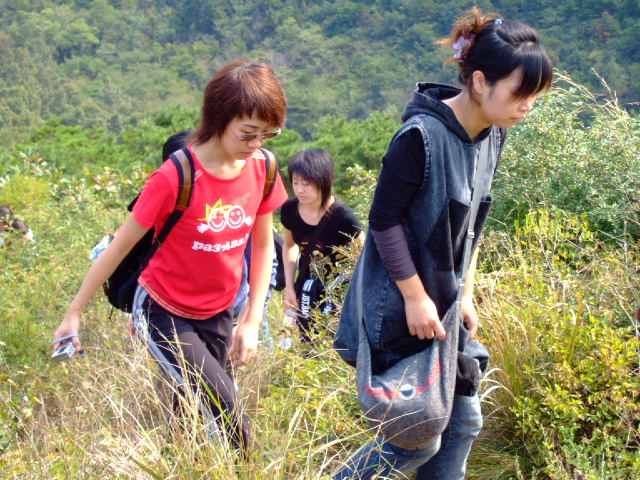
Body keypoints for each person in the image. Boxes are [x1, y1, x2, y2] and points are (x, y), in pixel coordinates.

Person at [333, 8, 552, 479]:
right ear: (479, 81)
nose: (527, 106)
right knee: (416, 438)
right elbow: (384, 222)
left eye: (535, 96)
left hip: (446, 307)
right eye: (520, 93)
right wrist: (415, 298)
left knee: (462, 423)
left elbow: (472, 222)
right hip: (401, 309)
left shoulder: (492, 135)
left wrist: (466, 293)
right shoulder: (420, 137)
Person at [53, 60, 288, 453]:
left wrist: (252, 319)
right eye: (248, 134)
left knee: (188, 409)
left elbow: (263, 246)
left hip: (220, 309)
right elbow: (119, 245)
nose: (256, 144)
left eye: (268, 134)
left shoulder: (263, 168)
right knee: (229, 413)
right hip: (164, 309)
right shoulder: (176, 176)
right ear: (219, 118)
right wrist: (74, 310)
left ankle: (181, 462)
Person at [162, 130, 280, 349]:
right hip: (174, 309)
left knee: (216, 371)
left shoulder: (234, 211)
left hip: (230, 310)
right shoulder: (170, 203)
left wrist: (250, 318)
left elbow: (266, 258)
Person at [280, 149, 363, 344]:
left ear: (323, 182)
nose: (299, 190)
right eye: (295, 183)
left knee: (333, 341)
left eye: (306, 183)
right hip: (306, 285)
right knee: (306, 341)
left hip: (338, 289)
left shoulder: (342, 216)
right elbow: (290, 246)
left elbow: (362, 255)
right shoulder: (289, 209)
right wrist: (290, 288)